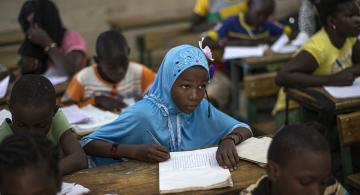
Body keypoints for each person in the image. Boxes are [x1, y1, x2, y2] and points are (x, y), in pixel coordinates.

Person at [81, 45, 253, 170]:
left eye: (202, 86)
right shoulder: (143, 114)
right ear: (168, 82)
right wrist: (133, 151)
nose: (195, 95)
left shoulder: (201, 108)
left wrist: (229, 140)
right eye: (186, 86)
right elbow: (88, 143)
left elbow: (242, 128)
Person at [273, 0, 360, 127]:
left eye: (358, 15)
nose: (357, 20)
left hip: (323, 108)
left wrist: (351, 72)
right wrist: (332, 79)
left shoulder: (350, 38)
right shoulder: (318, 47)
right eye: (349, 16)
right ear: (332, 22)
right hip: (295, 110)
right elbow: (282, 77)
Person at [0, 75, 87, 175]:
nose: (31, 133)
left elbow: (79, 158)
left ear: (54, 111)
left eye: (40, 126)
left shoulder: (55, 119)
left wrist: (43, 175)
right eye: (22, 125)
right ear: (10, 108)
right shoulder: (3, 138)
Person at [240, 123, 349, 195]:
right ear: (273, 172)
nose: (317, 192)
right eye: (305, 182)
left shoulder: (330, 188)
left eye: (323, 182)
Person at [62, 30, 155, 111]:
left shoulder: (141, 73)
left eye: (123, 62)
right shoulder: (82, 79)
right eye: (111, 66)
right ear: (97, 61)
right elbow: (66, 109)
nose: (120, 70)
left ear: (128, 53)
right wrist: (95, 101)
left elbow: (161, 95)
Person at [18, 0, 87, 77]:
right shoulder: (32, 41)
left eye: (35, 23)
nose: (32, 29)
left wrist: (47, 43)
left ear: (49, 20)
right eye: (28, 24)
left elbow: (70, 70)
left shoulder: (72, 37)